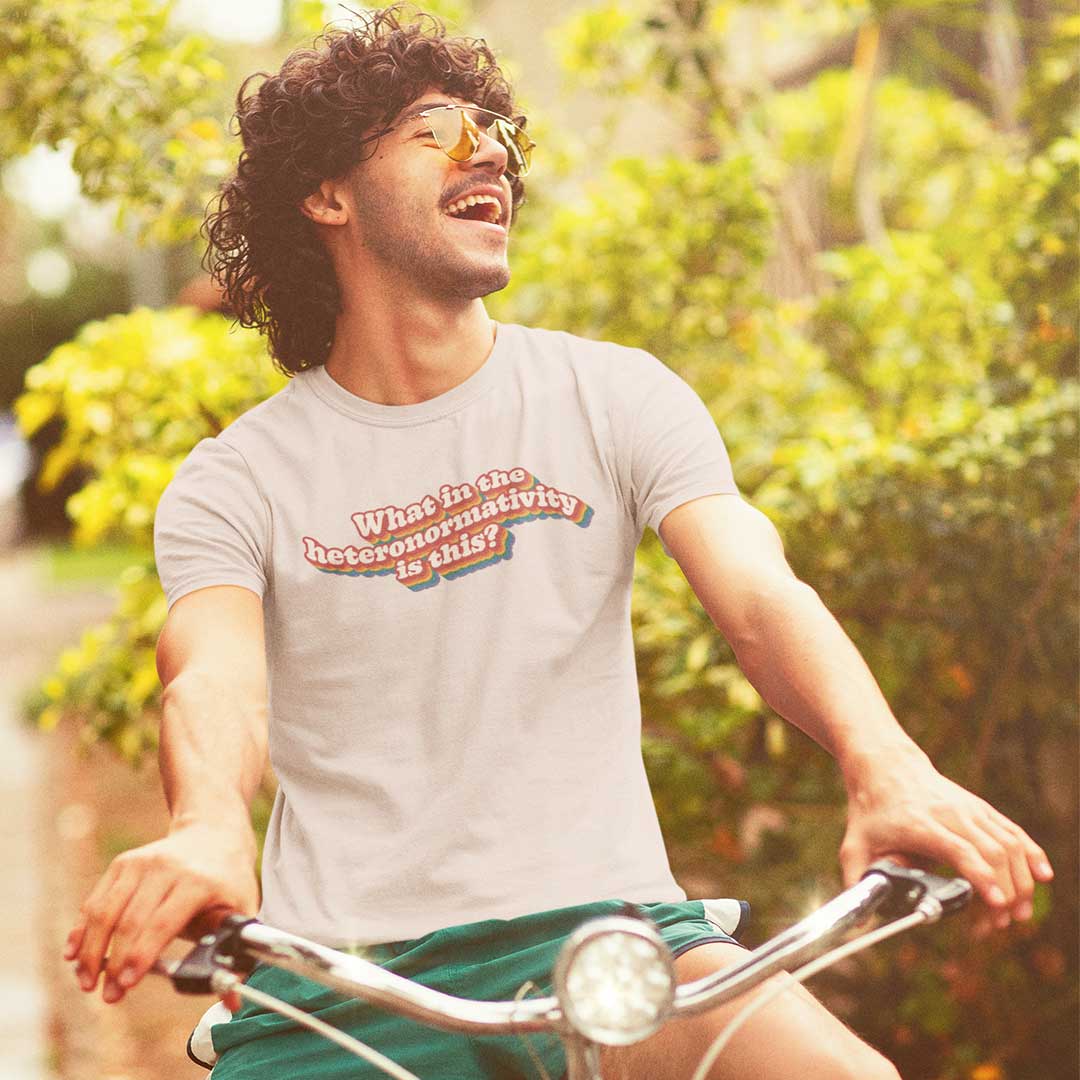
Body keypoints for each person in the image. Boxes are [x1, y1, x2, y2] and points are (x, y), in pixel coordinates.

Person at [65, 6, 1053, 1078]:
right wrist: (210, 826)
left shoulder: (610, 395)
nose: (488, 148)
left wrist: (886, 766)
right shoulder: (241, 479)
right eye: (435, 129)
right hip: (347, 989)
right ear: (327, 194)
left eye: (497, 131)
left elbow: (760, 599)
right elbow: (213, 681)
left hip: (616, 950)